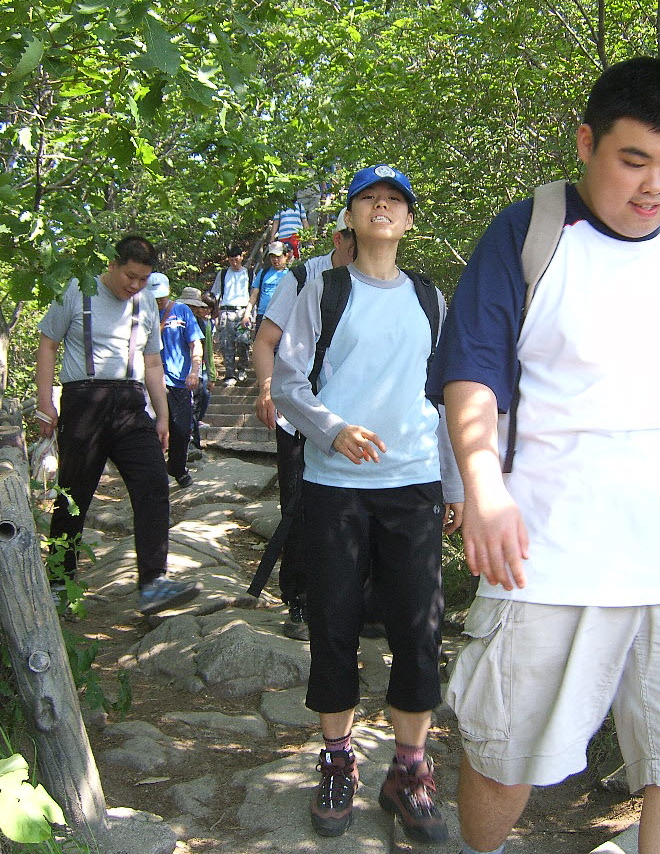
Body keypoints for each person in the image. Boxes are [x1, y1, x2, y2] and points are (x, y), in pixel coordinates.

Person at [426, 56, 660, 854]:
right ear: (588, 143)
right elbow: (473, 373)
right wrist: (484, 489)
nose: (655, 186)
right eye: (634, 160)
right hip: (551, 551)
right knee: (502, 754)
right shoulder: (532, 232)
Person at [271, 164, 463, 843]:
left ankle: (408, 772)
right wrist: (333, 429)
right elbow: (288, 381)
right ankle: (337, 761)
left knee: (419, 630)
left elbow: (444, 401)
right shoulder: (323, 289)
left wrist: (455, 484)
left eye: (395, 201)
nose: (382, 208)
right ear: (349, 218)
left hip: (411, 485)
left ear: (410, 221)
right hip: (335, 487)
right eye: (368, 199)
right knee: (335, 625)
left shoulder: (432, 300)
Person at [35, 235, 200, 615]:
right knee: (74, 495)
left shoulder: (144, 303)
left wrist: (162, 416)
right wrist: (46, 403)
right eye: (130, 276)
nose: (136, 286)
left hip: (130, 404)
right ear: (112, 264)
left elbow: (154, 363)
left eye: (143, 279)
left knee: (155, 483)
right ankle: (60, 579)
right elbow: (47, 344)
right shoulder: (77, 287)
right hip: (84, 402)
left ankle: (153, 584)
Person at [252, 209, 356, 640]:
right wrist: (265, 388)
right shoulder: (301, 279)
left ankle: (354, 600)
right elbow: (266, 340)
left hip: (353, 421)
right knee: (299, 505)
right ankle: (299, 600)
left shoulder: (386, 283)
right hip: (300, 416)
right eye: (354, 242)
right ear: (339, 239)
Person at [148, 274, 204, 489]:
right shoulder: (141, 311)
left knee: (181, 429)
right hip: (150, 381)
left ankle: (178, 467)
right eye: (154, 297)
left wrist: (194, 371)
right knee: (152, 429)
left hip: (178, 381)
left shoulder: (182, 311)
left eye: (161, 296)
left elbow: (195, 344)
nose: (158, 301)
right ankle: (154, 473)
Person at [211, 242, 251, 385]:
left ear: (242, 257)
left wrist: (249, 313)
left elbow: (253, 295)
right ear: (228, 259)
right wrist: (214, 314)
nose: (234, 262)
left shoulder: (249, 273)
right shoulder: (223, 274)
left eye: (237, 258)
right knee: (226, 344)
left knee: (243, 341)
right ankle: (229, 374)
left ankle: (242, 368)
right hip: (226, 311)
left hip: (243, 311)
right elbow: (215, 294)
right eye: (231, 259)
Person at [185, 288, 217, 458]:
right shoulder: (174, 319)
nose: (193, 309)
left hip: (199, 369)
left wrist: (211, 374)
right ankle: (190, 443)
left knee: (201, 398)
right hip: (181, 369)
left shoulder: (203, 324)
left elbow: (208, 350)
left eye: (195, 306)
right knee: (190, 405)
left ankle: (193, 441)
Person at [242, 242, 290, 335]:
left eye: (278, 256)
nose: (275, 260)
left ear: (285, 256)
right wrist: (246, 315)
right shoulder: (263, 273)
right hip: (263, 315)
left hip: (283, 316)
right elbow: (254, 296)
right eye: (272, 256)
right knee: (261, 346)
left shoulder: (290, 274)